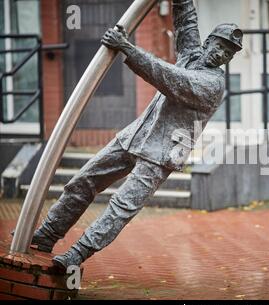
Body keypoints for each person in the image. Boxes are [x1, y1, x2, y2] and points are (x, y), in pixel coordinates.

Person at [23, 0, 243, 269]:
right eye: (219, 46)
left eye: (228, 54)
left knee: (121, 207)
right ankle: (47, 234)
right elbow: (186, 21)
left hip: (161, 154)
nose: (221, 54)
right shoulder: (192, 57)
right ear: (209, 42)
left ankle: (78, 253)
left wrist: (127, 48)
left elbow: (170, 77)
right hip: (136, 135)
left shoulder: (213, 85)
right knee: (83, 181)